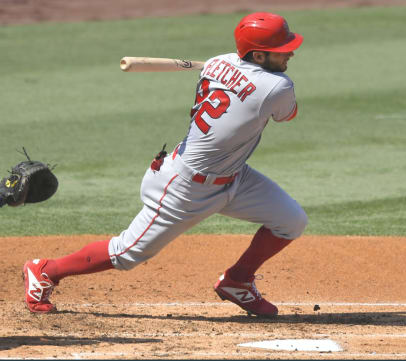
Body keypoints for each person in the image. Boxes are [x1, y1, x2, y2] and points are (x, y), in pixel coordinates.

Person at [23, 12, 307, 317]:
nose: (290, 52)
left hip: (235, 177)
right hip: (186, 186)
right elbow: (286, 114)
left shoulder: (218, 62)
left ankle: (237, 280)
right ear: (259, 54)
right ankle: (45, 270)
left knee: (291, 221)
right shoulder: (277, 87)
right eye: (283, 49)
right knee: (127, 253)